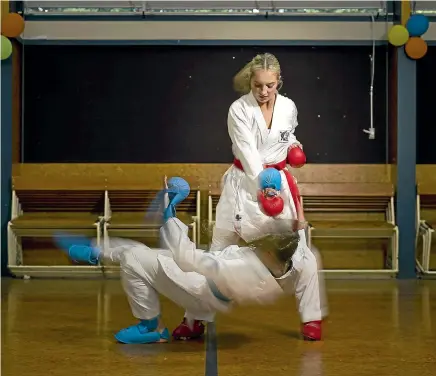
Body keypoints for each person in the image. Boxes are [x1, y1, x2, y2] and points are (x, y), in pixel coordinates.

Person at [172, 53, 328, 341]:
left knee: (300, 252)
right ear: (250, 82)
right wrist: (264, 187)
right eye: (258, 85)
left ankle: (311, 319)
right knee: (217, 251)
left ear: (278, 81)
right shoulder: (238, 110)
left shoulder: (289, 107)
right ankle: (194, 319)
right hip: (244, 185)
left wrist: (295, 146)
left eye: (270, 85)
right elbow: (248, 153)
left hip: (279, 183)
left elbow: (287, 135)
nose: (264, 91)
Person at [55, 177, 324, 344]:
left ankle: (149, 326)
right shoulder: (289, 259)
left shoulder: (243, 270)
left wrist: (170, 215)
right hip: (207, 287)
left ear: (268, 252)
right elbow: (298, 243)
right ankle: (95, 252)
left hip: (196, 289)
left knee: (133, 258)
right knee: (138, 251)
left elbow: (188, 258)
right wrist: (298, 221)